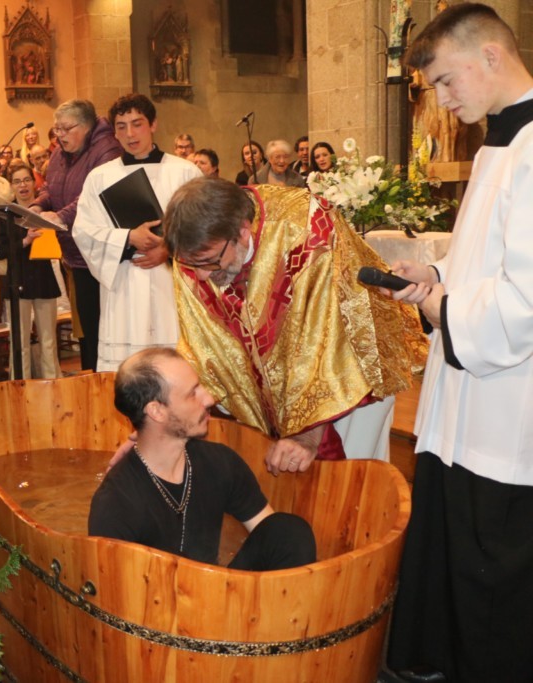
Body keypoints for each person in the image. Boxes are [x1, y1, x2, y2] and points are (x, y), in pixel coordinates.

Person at [382, 5, 533, 681]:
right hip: (466, 397)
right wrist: (436, 277)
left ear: (491, 56)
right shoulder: (501, 141)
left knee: (495, 580)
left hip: (507, 404)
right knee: (463, 565)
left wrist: (441, 306)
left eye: (446, 80)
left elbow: (526, 302)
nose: (441, 100)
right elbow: (489, 261)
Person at [163, 177, 426, 472]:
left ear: (243, 231)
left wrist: (308, 433)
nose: (199, 276)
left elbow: (330, 334)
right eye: (190, 265)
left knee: (352, 482)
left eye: (209, 262)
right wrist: (167, 424)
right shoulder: (196, 253)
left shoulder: (306, 228)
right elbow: (202, 344)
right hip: (275, 393)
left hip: (351, 374)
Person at [89, 348, 316, 570]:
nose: (208, 398)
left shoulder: (219, 462)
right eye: (192, 393)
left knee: (289, 532)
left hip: (220, 588)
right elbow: (116, 590)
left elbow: (272, 535)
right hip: (153, 593)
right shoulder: (115, 503)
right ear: (156, 411)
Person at [72, 93, 200, 371]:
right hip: (124, 286)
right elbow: (84, 231)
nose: (130, 134)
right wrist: (129, 238)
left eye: (137, 124)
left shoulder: (185, 172)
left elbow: (203, 227)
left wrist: (169, 249)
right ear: (114, 132)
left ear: (153, 124)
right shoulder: (101, 177)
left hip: (171, 285)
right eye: (121, 126)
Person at [32, 99, 123, 371]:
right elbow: (50, 186)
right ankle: (91, 377)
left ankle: (106, 380)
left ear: (86, 126)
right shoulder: (60, 153)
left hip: (100, 253)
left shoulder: (107, 150)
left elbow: (93, 196)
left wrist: (60, 216)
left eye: (65, 128)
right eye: (56, 129)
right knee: (86, 329)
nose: (59, 135)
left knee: (102, 329)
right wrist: (39, 205)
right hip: (75, 253)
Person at [0, 164, 61, 380]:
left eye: (26, 180)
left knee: (48, 341)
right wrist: (26, 240)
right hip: (17, 280)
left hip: (44, 278)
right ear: (11, 186)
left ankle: (53, 384)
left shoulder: (45, 210)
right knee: (19, 341)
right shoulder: (4, 213)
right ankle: (20, 386)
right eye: (17, 181)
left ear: (34, 183)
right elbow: (0, 251)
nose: (22, 185)